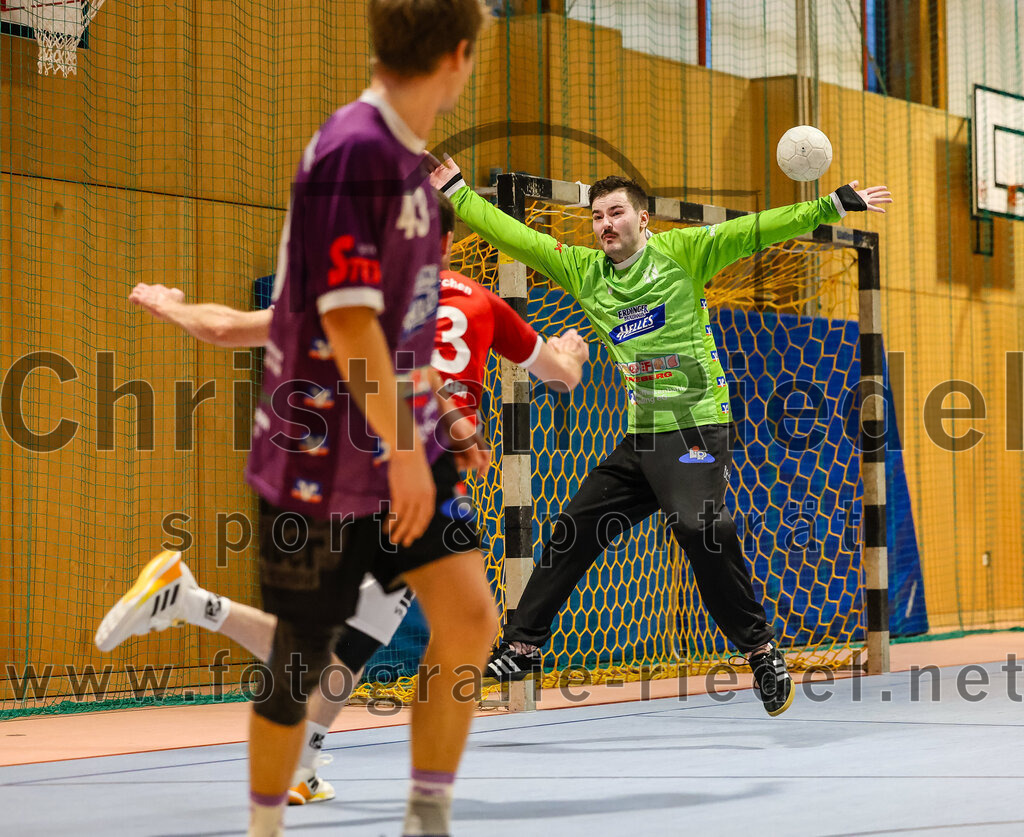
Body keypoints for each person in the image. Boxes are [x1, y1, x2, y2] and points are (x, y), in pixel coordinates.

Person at [95, 192, 589, 811]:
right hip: (411, 487)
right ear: (448, 245)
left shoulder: (347, 299)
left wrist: (172, 305)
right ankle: (195, 602)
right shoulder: (476, 300)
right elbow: (558, 377)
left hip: (327, 478)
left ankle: (302, 755)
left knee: (361, 633)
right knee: (427, 630)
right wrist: (570, 353)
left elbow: (225, 328)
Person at [432, 155, 892, 716]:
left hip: (696, 424)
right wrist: (456, 192)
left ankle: (761, 650)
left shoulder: (684, 253)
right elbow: (517, 236)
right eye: (597, 216)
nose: (605, 224)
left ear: (643, 219)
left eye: (617, 212)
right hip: (642, 438)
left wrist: (831, 205)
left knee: (701, 526)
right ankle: (525, 643)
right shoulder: (583, 270)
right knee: (574, 526)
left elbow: (754, 229)